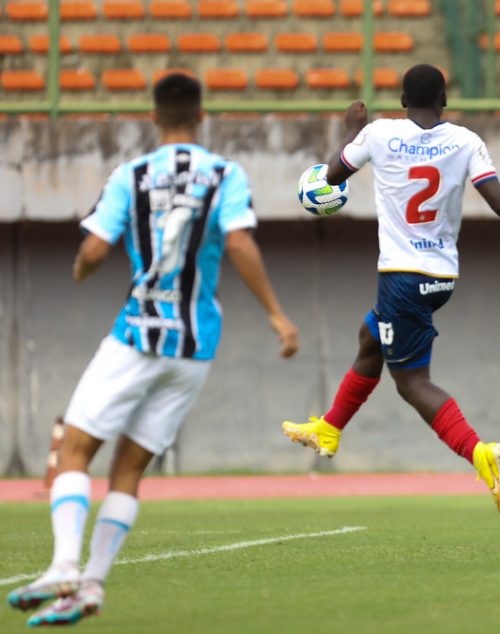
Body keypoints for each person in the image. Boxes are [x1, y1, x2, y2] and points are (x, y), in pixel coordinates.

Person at [6, 72, 300, 626]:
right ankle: (92, 585)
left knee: (73, 451)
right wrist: (277, 315)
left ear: (153, 116)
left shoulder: (131, 175)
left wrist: (81, 268)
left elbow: (94, 248)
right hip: (194, 348)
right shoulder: (225, 174)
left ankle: (65, 565)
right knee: (129, 469)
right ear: (202, 114)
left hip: (138, 333)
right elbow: (237, 239)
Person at [281, 64, 500, 514]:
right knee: (371, 336)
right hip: (441, 275)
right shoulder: (466, 141)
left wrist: (351, 132)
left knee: (411, 383)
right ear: (444, 99)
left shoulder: (378, 134)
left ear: (403, 100)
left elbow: (330, 178)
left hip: (401, 275)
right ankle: (330, 428)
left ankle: (480, 455)